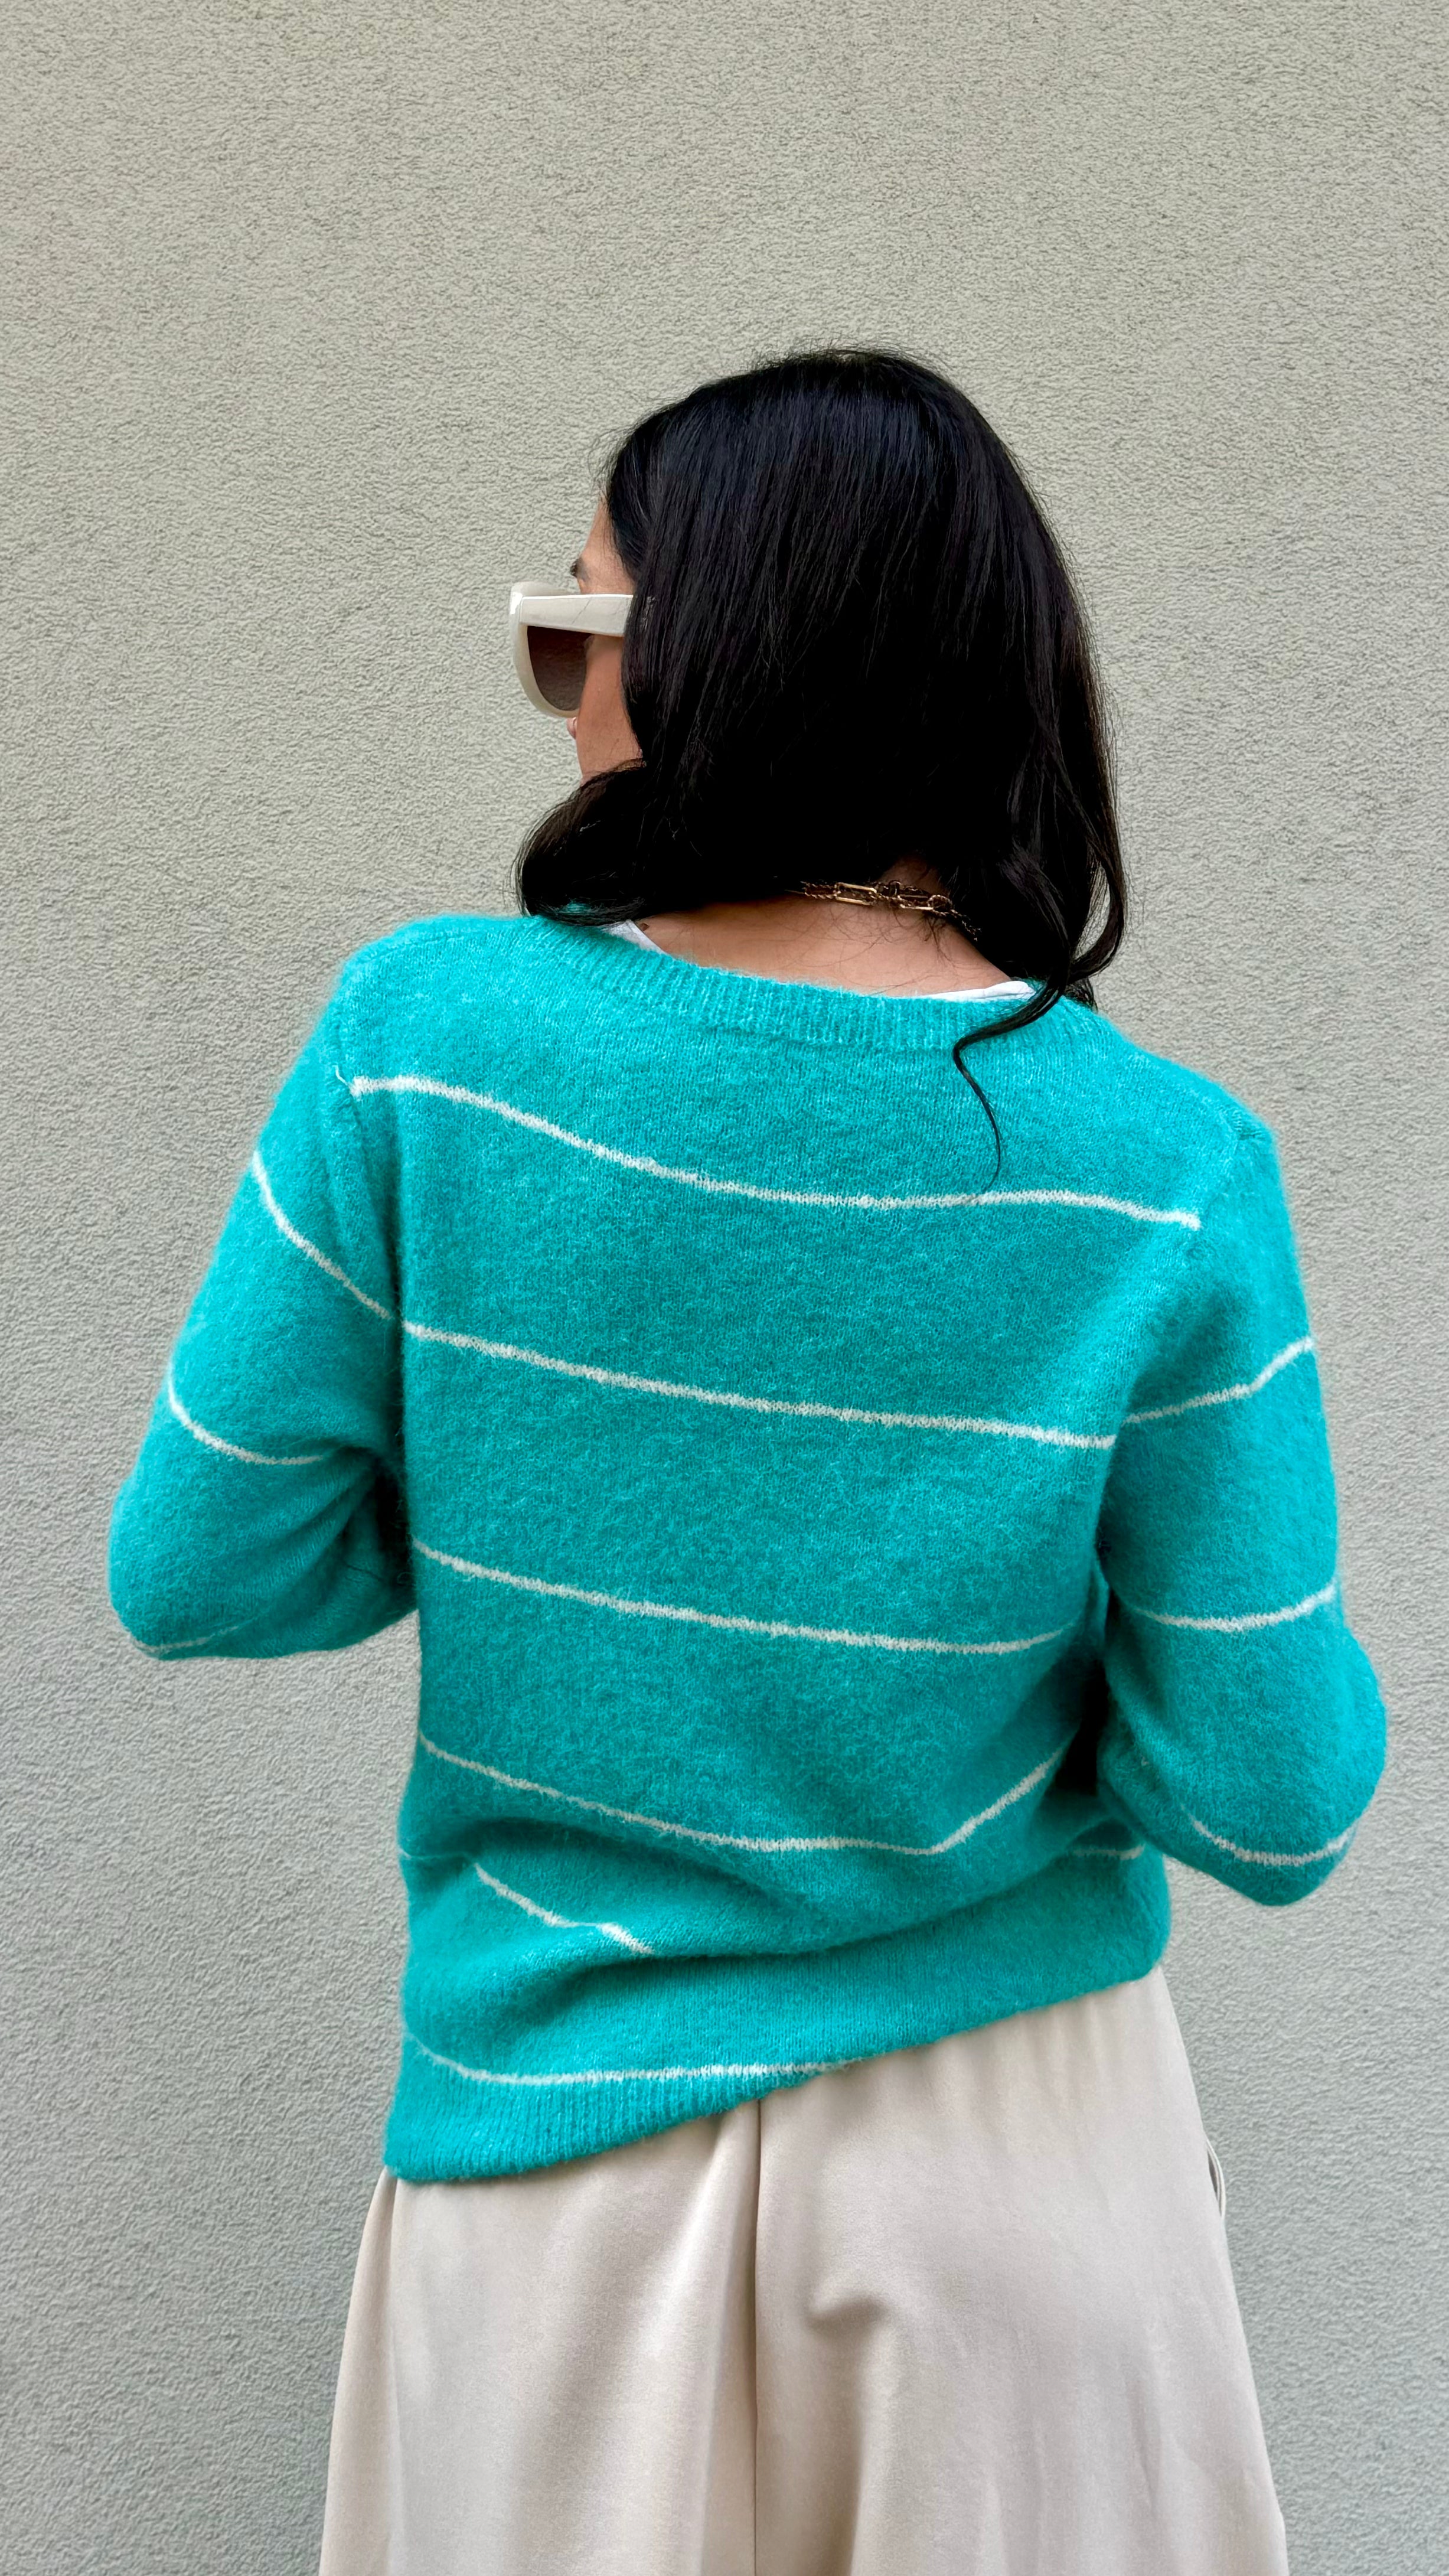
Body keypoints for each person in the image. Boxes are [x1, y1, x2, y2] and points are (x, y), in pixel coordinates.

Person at [108, 349, 1385, 2576]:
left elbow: (201, 1562)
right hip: (1021, 2172)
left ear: (719, 649)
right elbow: (1274, 1798)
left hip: (555, 2187)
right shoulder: (1165, 1164)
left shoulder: (429, 1041)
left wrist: (526, 1472)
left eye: (576, 628)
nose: (564, 696)